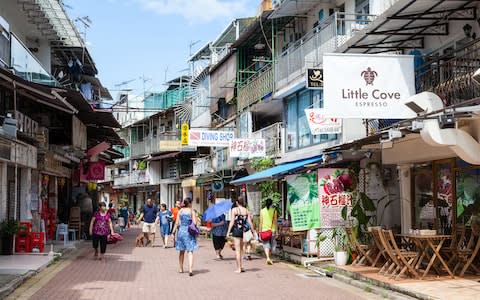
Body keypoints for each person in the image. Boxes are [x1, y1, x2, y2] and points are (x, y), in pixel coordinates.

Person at [226, 196, 253, 273]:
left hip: (236, 230)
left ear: (237, 202)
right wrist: (253, 231)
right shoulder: (246, 210)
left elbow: (231, 222)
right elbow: (250, 222)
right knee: (241, 250)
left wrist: (228, 232)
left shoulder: (234, 209)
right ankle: (241, 266)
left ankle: (239, 268)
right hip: (244, 231)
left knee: (237, 251)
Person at [172, 198, 198, 276]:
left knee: (181, 251)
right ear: (189, 203)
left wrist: (173, 233)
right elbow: (195, 223)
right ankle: (190, 269)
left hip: (181, 231)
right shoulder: (191, 211)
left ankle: (181, 268)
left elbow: (176, 223)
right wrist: (196, 217)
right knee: (190, 251)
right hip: (189, 232)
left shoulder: (180, 211)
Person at [259, 198, 277, 265]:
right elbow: (275, 222)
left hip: (264, 230)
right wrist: (277, 231)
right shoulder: (274, 211)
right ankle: (269, 257)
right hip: (272, 230)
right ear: (271, 204)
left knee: (266, 244)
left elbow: (261, 222)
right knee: (271, 245)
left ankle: (268, 258)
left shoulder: (262, 211)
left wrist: (259, 231)